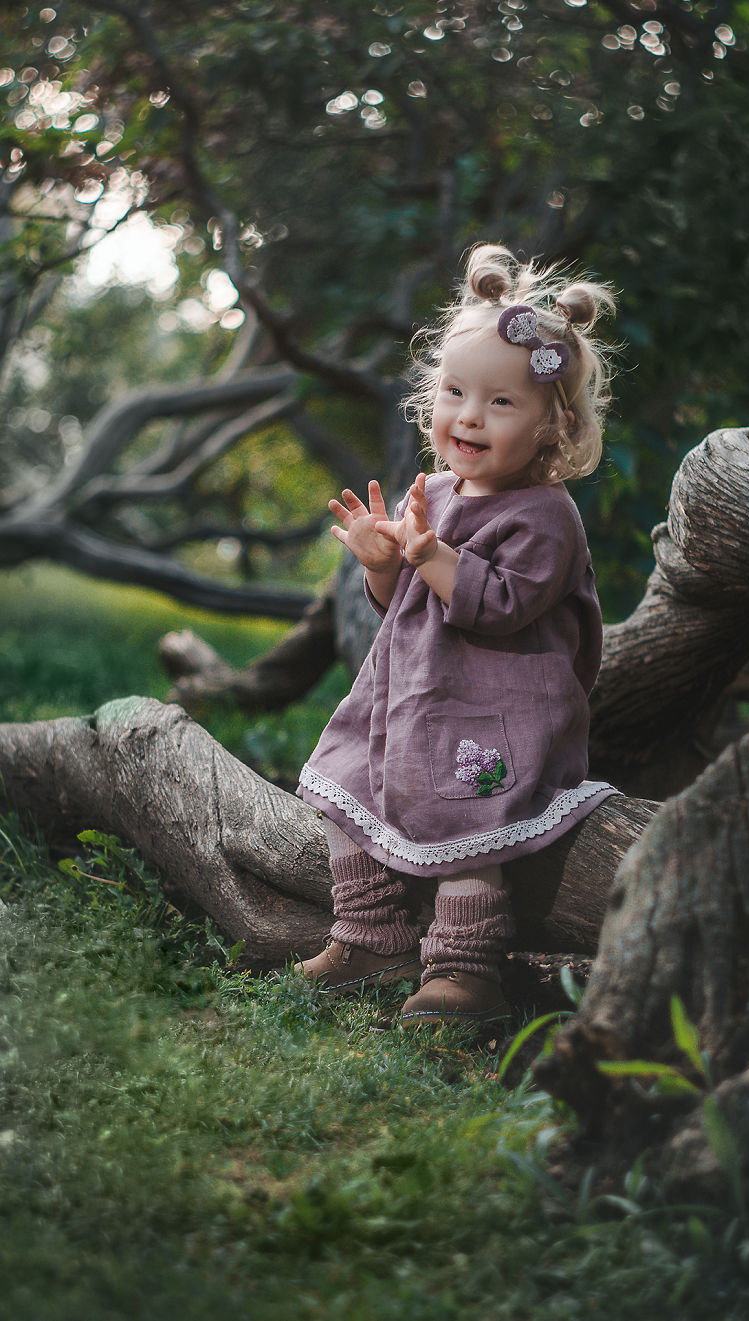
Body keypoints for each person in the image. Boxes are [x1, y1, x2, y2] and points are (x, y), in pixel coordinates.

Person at [296, 243, 620, 1025]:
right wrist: (382, 564)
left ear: (554, 425)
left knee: (476, 830)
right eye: (454, 392)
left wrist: (430, 552)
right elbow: (405, 602)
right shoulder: (434, 490)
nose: (469, 415)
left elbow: (500, 604)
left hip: (493, 713)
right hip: (409, 697)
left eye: (501, 403)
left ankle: (463, 969)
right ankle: (370, 933)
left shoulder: (545, 516)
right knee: (345, 787)